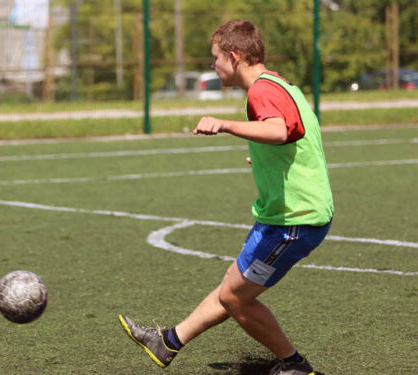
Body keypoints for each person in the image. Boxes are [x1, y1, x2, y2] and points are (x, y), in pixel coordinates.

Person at [119, 19, 333, 375]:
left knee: (236, 297)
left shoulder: (262, 91)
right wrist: (265, 158)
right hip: (279, 216)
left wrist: (226, 124)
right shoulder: (279, 85)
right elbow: (295, 135)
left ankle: (296, 366)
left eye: (215, 58)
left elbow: (281, 129)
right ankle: (168, 342)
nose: (212, 66)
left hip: (295, 220)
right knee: (232, 283)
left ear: (234, 56)